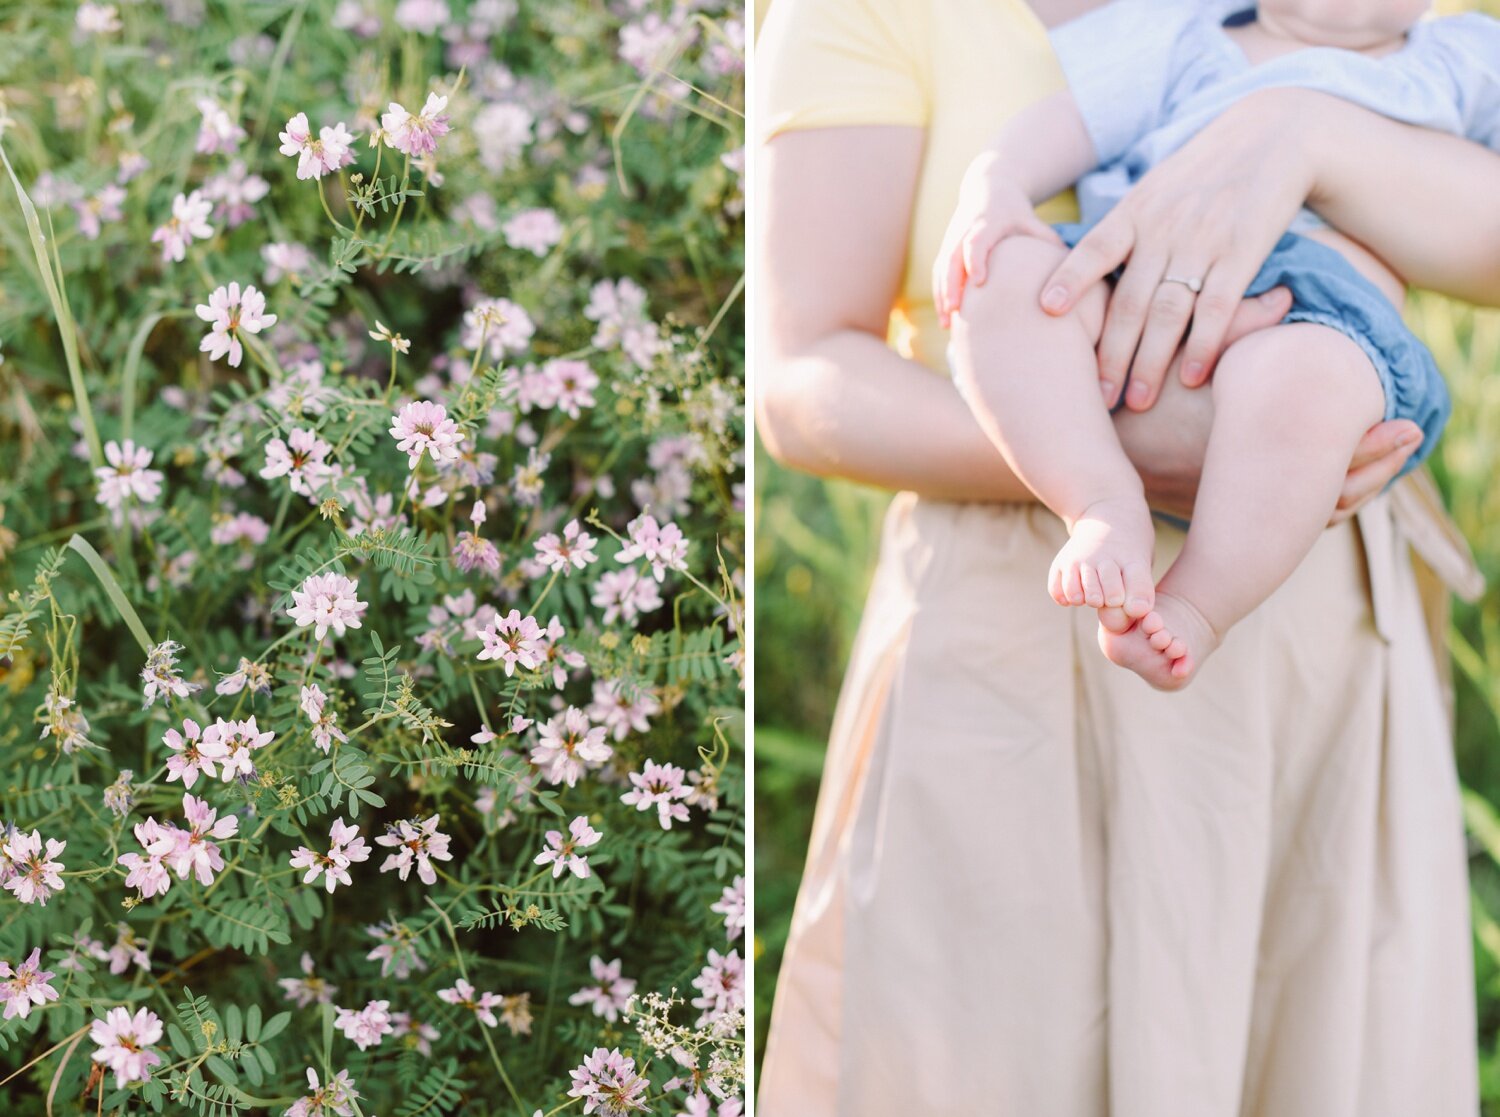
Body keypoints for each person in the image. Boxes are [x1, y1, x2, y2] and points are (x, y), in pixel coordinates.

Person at [754, 0, 1498, 1113]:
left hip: (1311, 638)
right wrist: (1122, 459)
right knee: (998, 1056)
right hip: (1022, 627)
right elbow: (801, 376)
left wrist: (1306, 132)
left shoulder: (1416, 48)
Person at [933, 0, 1496, 687]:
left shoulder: (1462, 61)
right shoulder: (1184, 32)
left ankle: (1195, 606)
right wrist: (995, 183)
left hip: (1319, 310)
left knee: (1309, 381)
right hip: (1128, 268)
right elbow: (1071, 118)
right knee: (1000, 277)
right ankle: (1101, 501)